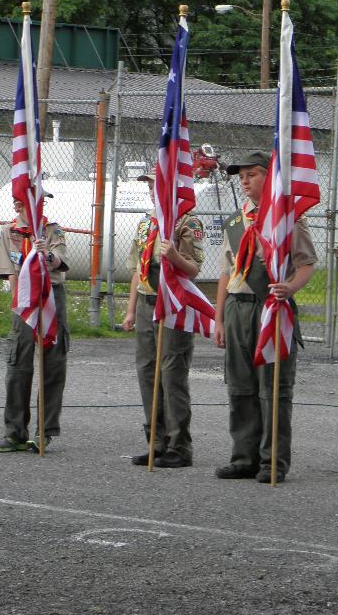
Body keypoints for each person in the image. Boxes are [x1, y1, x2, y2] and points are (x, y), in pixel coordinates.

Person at [213, 151, 316, 484]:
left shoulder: (285, 219)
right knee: (240, 386)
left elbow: (306, 264)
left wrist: (289, 287)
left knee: (272, 387)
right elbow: (226, 272)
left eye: (252, 175)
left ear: (268, 178)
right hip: (237, 307)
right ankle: (244, 456)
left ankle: (273, 460)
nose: (244, 181)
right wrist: (218, 317)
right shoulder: (236, 220)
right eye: (240, 177)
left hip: (269, 306)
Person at [121, 172, 205, 468]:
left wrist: (174, 257)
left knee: (172, 374)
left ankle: (179, 446)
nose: (152, 191)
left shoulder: (187, 221)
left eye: (157, 185)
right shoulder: (147, 223)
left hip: (172, 305)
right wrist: (131, 310)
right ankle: (155, 442)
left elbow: (193, 269)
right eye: (150, 186)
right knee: (147, 373)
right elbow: (137, 270)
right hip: (146, 301)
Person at [0, 194, 69, 453]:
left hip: (50, 295)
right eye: (31, 201)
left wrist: (47, 255)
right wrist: (18, 305)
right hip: (23, 298)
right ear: (18, 206)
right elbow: (11, 272)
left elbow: (58, 261)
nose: (39, 205)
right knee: (18, 364)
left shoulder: (52, 230)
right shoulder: (9, 231)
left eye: (41, 201)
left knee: (52, 363)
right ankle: (15, 432)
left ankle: (44, 431)